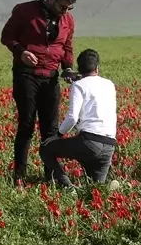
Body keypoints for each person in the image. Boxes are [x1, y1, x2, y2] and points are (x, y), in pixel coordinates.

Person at [0, 0, 77, 183]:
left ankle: (49, 176)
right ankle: (19, 175)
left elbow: (67, 47)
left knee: (50, 129)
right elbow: (6, 36)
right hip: (27, 74)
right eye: (62, 7)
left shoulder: (68, 20)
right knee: (26, 124)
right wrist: (21, 52)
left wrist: (67, 67)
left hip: (50, 77)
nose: (65, 11)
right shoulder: (25, 11)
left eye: (68, 8)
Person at [40, 48, 120, 190]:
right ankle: (107, 188)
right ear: (97, 68)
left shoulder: (79, 85)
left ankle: (68, 187)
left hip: (89, 143)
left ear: (79, 68)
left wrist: (57, 135)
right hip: (109, 145)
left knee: (46, 149)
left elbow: (72, 117)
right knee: (95, 189)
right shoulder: (109, 84)